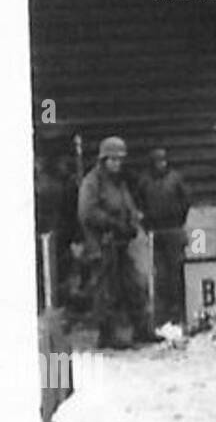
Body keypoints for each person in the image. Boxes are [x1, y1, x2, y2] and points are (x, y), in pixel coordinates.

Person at [78, 136, 157, 349]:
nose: (116, 164)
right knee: (106, 290)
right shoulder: (92, 182)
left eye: (119, 160)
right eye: (112, 159)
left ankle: (142, 329)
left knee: (134, 285)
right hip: (102, 244)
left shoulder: (119, 183)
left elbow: (127, 205)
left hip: (121, 244)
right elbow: (87, 212)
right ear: (103, 160)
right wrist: (112, 224)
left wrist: (133, 222)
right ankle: (107, 334)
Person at [137, 147, 190, 325]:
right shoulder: (144, 181)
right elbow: (139, 203)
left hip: (174, 229)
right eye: (158, 161)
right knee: (160, 273)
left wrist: (179, 220)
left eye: (164, 161)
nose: (162, 165)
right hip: (155, 232)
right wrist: (146, 225)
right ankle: (163, 311)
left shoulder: (175, 178)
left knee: (178, 269)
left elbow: (186, 200)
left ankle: (180, 307)